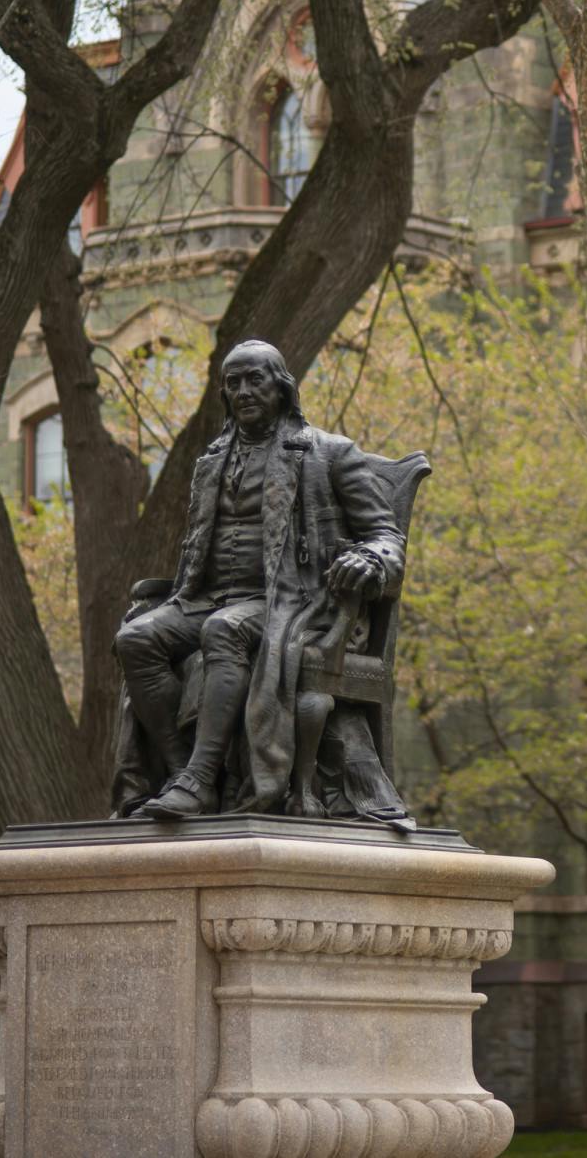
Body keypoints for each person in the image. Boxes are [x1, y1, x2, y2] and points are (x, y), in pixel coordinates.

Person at [114, 339, 405, 819]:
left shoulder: (329, 453)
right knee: (136, 638)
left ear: (281, 387)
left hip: (291, 601)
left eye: (256, 379)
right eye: (233, 383)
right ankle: (182, 772)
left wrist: (370, 560)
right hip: (206, 597)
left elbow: (385, 535)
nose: (244, 390)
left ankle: (200, 777)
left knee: (223, 629)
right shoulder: (211, 461)